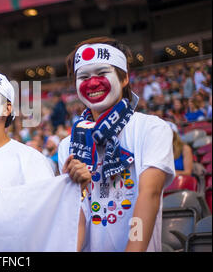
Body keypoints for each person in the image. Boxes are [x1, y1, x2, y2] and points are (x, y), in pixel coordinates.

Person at [59, 37, 175, 252]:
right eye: (84, 77)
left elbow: (149, 194)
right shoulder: (69, 145)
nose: (92, 83)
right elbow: (76, 217)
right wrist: (79, 191)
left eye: (102, 74)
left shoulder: (151, 129)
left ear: (124, 79)